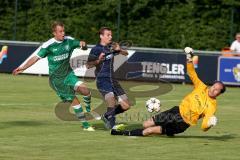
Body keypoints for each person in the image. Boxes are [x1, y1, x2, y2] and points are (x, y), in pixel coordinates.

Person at [111, 47, 226, 136]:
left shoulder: (212, 106)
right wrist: (189, 57)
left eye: (216, 90)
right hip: (175, 111)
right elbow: (191, 72)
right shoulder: (202, 87)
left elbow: (204, 127)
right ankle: (166, 132)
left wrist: (210, 124)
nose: (213, 89)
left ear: (219, 94)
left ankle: (122, 133)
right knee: (146, 124)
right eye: (213, 86)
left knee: (149, 131)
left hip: (182, 124)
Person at [13, 21, 95, 131]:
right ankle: (86, 126)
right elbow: (35, 58)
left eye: (63, 31)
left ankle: (88, 109)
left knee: (85, 90)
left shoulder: (68, 41)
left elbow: (82, 45)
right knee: (74, 100)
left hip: (69, 74)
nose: (63, 33)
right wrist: (23, 68)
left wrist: (83, 45)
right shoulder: (48, 45)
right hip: (57, 80)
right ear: (54, 33)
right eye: (60, 31)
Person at [86, 27, 130, 129]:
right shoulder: (96, 49)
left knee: (126, 105)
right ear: (101, 36)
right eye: (108, 35)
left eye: (111, 35)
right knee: (111, 100)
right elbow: (88, 65)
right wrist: (98, 60)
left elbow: (125, 54)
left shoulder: (111, 46)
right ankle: (112, 125)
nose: (111, 36)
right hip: (102, 80)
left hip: (113, 80)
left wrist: (120, 50)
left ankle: (107, 116)